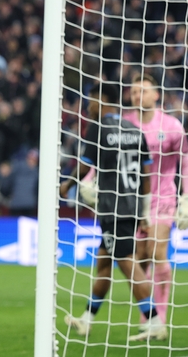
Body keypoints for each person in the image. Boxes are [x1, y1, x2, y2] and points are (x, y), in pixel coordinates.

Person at [61, 82, 166, 342]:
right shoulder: (135, 130)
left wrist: (66, 185)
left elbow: (85, 168)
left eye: (91, 101)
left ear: (102, 101)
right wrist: (143, 214)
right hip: (130, 207)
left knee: (127, 264)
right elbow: (145, 177)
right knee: (104, 262)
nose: (89, 106)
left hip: (112, 209)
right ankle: (86, 319)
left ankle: (154, 321)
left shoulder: (98, 129)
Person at [125, 73, 188, 325]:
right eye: (134, 91)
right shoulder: (124, 124)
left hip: (163, 198)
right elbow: (106, 156)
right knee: (140, 258)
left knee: (157, 250)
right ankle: (149, 315)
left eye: (143, 90)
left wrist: (187, 198)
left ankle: (161, 317)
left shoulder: (172, 126)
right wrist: (89, 179)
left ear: (156, 95)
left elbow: (186, 163)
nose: (137, 95)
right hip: (132, 201)